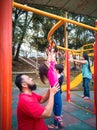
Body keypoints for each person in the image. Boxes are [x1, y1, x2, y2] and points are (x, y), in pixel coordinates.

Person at [39, 50, 64, 129]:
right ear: (46, 68)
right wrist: (51, 54)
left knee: (57, 106)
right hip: (55, 92)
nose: (48, 63)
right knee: (57, 106)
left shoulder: (51, 69)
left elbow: (51, 61)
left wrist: (50, 53)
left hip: (56, 91)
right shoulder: (50, 72)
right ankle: (56, 124)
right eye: (47, 64)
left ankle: (58, 119)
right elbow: (50, 61)